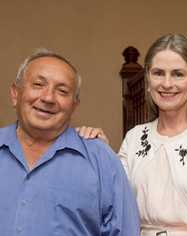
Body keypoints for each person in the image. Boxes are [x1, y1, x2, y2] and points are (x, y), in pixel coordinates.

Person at [79, 34, 187, 236]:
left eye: (177, 74)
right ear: (148, 77)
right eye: (158, 73)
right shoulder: (134, 138)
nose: (166, 83)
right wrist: (101, 152)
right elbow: (113, 202)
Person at [0, 49, 140, 236]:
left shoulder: (101, 160)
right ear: (15, 94)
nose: (48, 98)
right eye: (38, 84)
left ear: (74, 106)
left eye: (62, 91)